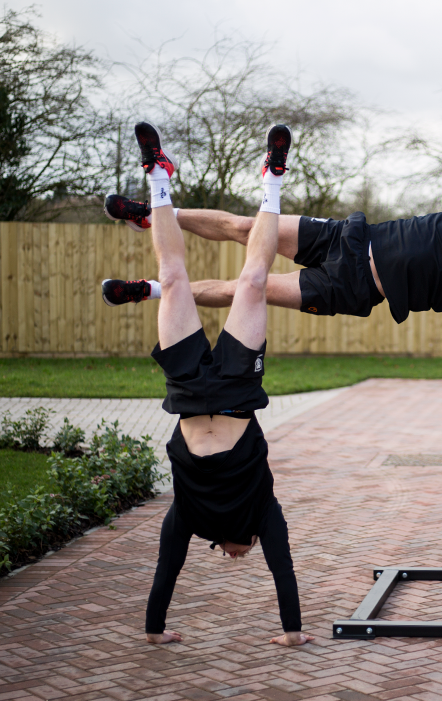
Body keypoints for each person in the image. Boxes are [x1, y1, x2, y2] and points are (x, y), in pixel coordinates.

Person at [102, 106, 442, 375]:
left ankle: (150, 290)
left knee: (244, 289)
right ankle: (158, 214)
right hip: (347, 239)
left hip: (348, 290)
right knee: (248, 228)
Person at [137, 119, 313, 647]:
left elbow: (167, 569)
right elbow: (283, 569)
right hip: (236, 391)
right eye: (247, 554)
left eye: (234, 556)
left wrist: (153, 632)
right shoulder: (263, 512)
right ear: (254, 541)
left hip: (189, 391)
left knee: (173, 280)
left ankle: (157, 175)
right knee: (254, 282)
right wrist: (293, 633)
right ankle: (272, 179)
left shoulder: (190, 517)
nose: (240, 558)